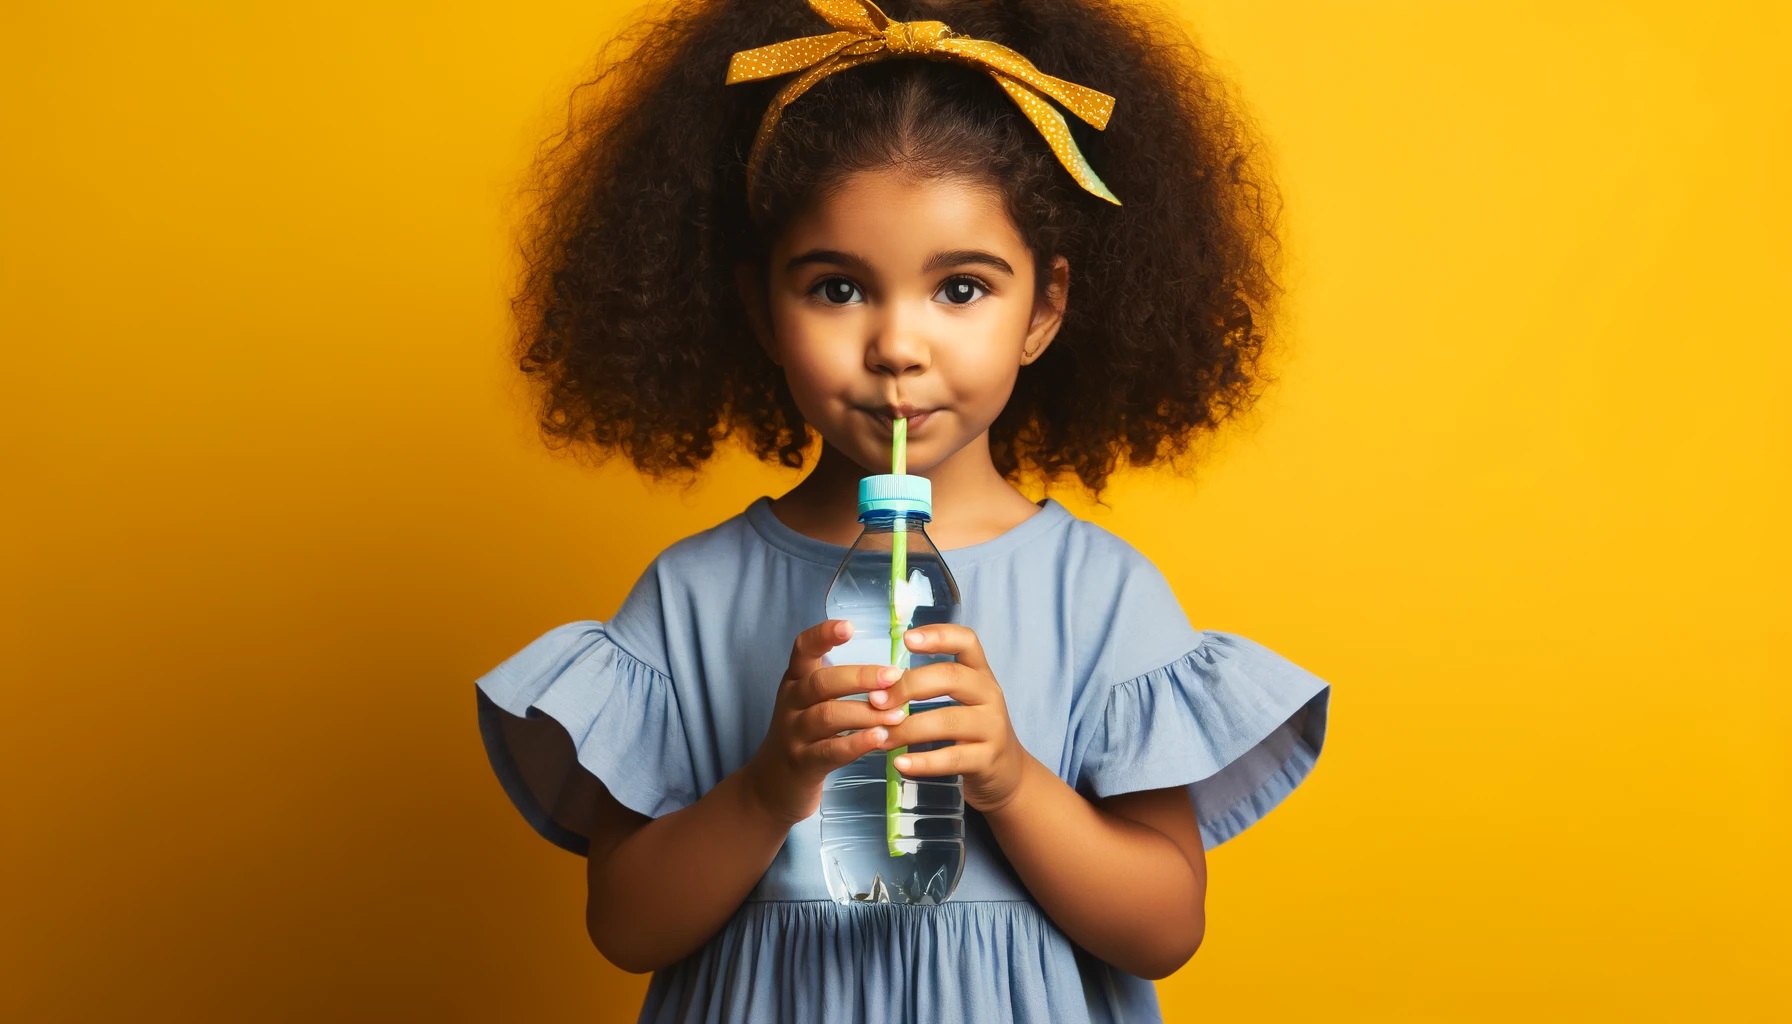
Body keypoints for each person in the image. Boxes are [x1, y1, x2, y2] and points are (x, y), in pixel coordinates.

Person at [474, 1, 1332, 1020]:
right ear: (760, 310)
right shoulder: (691, 594)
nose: (896, 345)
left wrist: (1011, 779)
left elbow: (1162, 929)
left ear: (1043, 310)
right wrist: (768, 785)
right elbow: (626, 926)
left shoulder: (1101, 593)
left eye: (960, 289)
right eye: (837, 289)